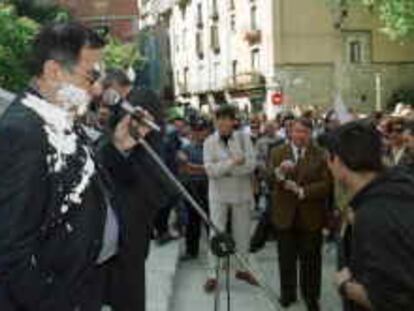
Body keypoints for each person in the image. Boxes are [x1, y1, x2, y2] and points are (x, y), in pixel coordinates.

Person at [0, 22, 150, 311]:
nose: (97, 89)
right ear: (54, 71)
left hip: (85, 287)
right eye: (90, 76)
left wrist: (118, 148)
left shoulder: (61, 117)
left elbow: (82, 184)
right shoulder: (22, 133)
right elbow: (11, 247)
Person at [323, 120, 414, 311]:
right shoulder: (399, 186)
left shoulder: (372, 214)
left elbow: (390, 300)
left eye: (329, 159)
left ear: (338, 162)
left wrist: (344, 285)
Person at [269, 118, 332, 311]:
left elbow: (327, 184)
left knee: (311, 260)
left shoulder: (322, 155)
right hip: (285, 215)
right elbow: (268, 178)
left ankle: (311, 296)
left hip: (311, 215)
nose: (300, 135)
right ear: (290, 132)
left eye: (304, 132)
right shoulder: (277, 152)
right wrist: (280, 172)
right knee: (286, 258)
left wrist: (303, 191)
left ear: (311, 133)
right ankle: (288, 294)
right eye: (296, 131)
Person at [203, 105, 258, 293]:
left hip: (241, 193)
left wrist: (225, 169)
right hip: (218, 194)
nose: (224, 123)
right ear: (215, 121)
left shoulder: (244, 138)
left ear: (234, 121)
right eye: (220, 119)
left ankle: (242, 269)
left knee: (242, 233)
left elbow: (251, 165)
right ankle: (213, 274)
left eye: (228, 119)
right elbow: (210, 171)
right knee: (216, 233)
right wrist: (233, 163)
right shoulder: (209, 142)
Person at [178, 117, 211, 260]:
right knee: (193, 221)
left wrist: (192, 168)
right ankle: (192, 251)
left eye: (201, 130)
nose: (198, 133)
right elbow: (183, 169)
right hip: (191, 187)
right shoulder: (186, 148)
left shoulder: (212, 148)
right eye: (196, 130)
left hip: (209, 186)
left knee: (212, 220)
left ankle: (217, 251)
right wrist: (203, 169)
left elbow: (212, 169)